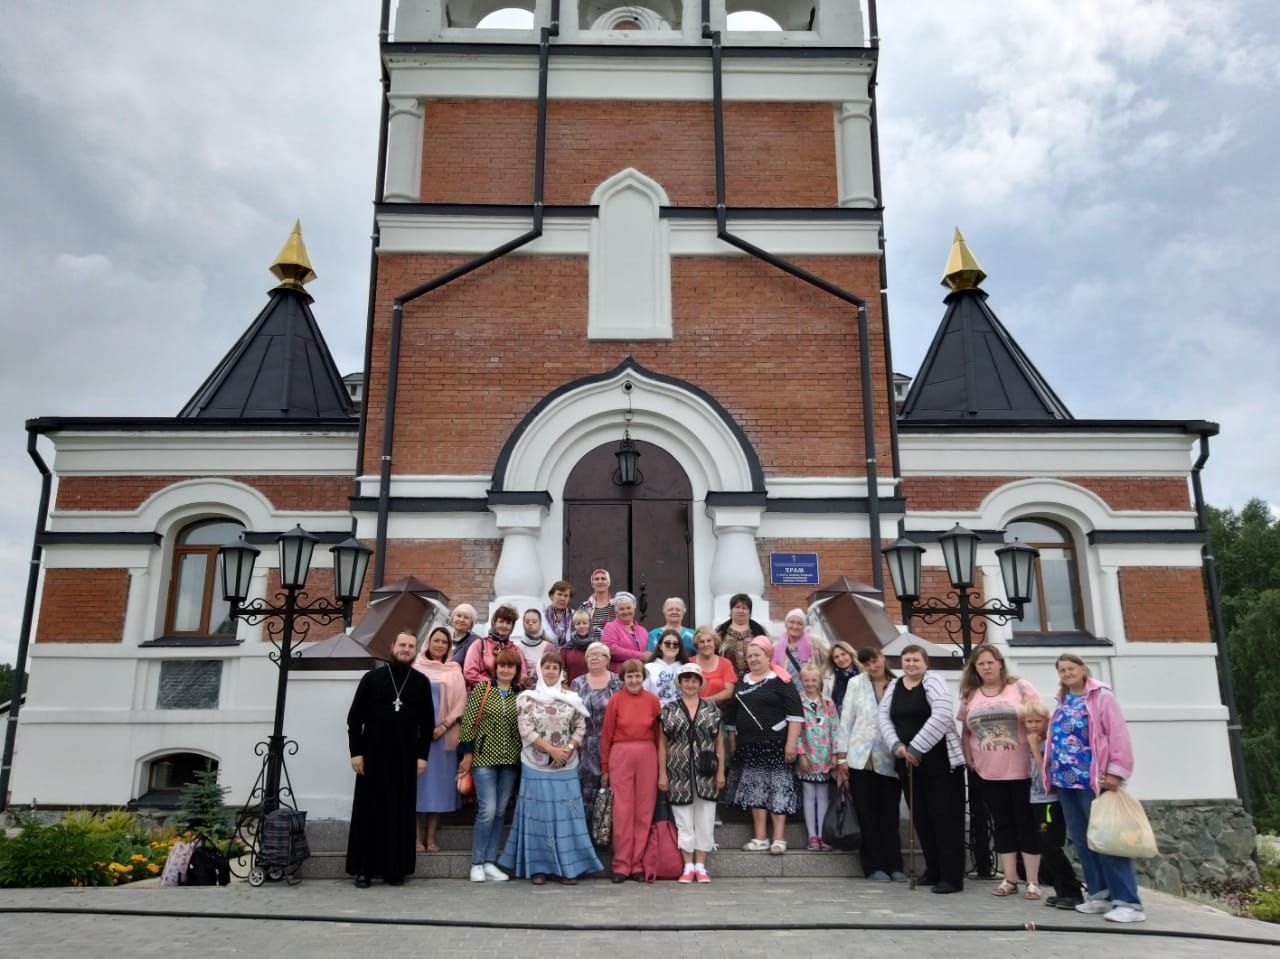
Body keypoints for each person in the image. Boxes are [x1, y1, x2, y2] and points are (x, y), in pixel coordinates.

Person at [1045, 653, 1144, 923]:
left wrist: (1116, 771)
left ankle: (1128, 902)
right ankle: (1100, 895)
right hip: (1066, 781)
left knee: (1109, 840)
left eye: (1071, 668)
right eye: (1062, 669)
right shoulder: (1062, 700)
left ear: (1083, 669)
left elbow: (1117, 735)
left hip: (1094, 780)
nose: (1067, 673)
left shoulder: (1101, 697)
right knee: (1084, 840)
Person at [499, 652, 603, 885]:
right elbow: (526, 730)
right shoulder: (527, 698)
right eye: (547, 667)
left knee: (567, 817)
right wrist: (551, 751)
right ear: (540, 670)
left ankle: (569, 869)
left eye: (555, 667)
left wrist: (566, 750)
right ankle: (538, 868)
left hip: (566, 765)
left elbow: (580, 727)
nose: (551, 671)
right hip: (535, 765)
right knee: (539, 818)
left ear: (561, 672)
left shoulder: (572, 697)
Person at [345, 631, 434, 888]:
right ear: (392, 646)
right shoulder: (372, 679)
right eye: (402, 644)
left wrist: (422, 756)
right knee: (369, 812)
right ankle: (364, 869)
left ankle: (395, 869)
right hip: (372, 756)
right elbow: (354, 719)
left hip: (406, 757)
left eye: (411, 646)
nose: (406, 649)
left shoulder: (420, 682)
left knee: (400, 812)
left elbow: (427, 725)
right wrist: (356, 752)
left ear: (415, 650)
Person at [879, 644, 966, 893]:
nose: (911, 664)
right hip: (908, 764)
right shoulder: (894, 686)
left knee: (945, 820)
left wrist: (916, 747)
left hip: (940, 763)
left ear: (925, 663)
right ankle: (934, 870)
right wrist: (896, 745)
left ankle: (951, 877)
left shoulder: (934, 681)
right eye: (907, 660)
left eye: (916, 660)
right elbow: (883, 716)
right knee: (923, 819)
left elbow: (941, 715)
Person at [957, 644, 1043, 899]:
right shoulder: (971, 694)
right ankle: (1009, 879)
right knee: (1002, 824)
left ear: (1000, 664)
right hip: (989, 772)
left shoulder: (1020, 688)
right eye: (980, 664)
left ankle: (1033, 881)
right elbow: (966, 730)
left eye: (990, 662)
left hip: (1022, 770)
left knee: (1026, 824)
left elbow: (1040, 720)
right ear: (975, 668)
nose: (986, 667)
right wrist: (968, 755)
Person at [724, 636, 803, 854]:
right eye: (749, 656)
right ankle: (760, 838)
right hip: (749, 746)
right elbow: (733, 714)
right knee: (755, 792)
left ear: (768, 656)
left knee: (778, 789)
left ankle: (778, 838)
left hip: (776, 745)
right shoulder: (743, 681)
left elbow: (796, 715)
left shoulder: (781, 681)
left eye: (757, 655)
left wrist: (791, 744)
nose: (753, 659)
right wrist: (733, 742)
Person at [834, 646, 905, 882]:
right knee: (866, 813)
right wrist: (841, 757)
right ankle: (873, 865)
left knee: (889, 813)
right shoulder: (856, 683)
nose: (872, 667)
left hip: (889, 757)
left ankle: (894, 863)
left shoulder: (898, 684)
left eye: (875, 661)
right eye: (867, 663)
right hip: (860, 757)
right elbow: (847, 720)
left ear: (883, 659)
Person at [457, 647, 524, 882]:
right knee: (488, 810)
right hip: (484, 759)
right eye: (502, 665)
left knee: (500, 812)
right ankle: (476, 862)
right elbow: (467, 723)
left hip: (510, 761)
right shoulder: (482, 690)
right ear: (496, 668)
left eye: (510, 666)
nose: (506, 670)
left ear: (516, 670)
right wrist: (466, 754)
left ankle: (489, 862)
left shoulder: (521, 695)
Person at [657, 663, 725, 883]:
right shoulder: (668, 710)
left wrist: (721, 772)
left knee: (705, 818)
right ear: (680, 682)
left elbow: (719, 743)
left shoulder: (712, 709)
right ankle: (687, 865)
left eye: (694, 680)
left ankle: (701, 865)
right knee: (683, 819)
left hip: (706, 771)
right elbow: (662, 744)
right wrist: (662, 774)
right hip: (678, 771)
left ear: (700, 683)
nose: (690, 683)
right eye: (686, 679)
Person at [600, 658, 661, 882]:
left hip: (647, 754)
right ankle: (621, 864)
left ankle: (637, 863)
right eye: (629, 676)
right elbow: (606, 736)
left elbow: (658, 735)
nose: (634, 680)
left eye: (637, 676)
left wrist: (660, 766)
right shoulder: (615, 701)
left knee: (644, 811)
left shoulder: (653, 701)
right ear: (623, 679)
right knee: (622, 811)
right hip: (621, 754)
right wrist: (605, 767)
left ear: (643, 678)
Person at [1023, 698, 1084, 909]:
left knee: (1051, 844)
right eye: (1028, 722)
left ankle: (1073, 890)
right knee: (1045, 847)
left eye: (1037, 721)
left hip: (1050, 801)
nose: (1032, 726)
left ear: (1046, 721)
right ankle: (1061, 890)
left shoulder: (1049, 743)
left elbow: (1046, 773)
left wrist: (1034, 746)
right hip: (1036, 800)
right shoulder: (1030, 741)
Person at [412, 626, 466, 853]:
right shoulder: (416, 668)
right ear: (428, 643)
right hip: (417, 737)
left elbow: (461, 702)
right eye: (437, 641)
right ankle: (415, 838)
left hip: (444, 738)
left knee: (439, 789)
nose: (441, 645)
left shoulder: (454, 669)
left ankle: (432, 837)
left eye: (445, 642)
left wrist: (444, 726)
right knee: (416, 788)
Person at [570, 641, 622, 827]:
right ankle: (588, 836)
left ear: (608, 659)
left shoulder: (619, 682)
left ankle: (609, 833)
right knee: (587, 791)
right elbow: (572, 716)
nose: (594, 657)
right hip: (586, 745)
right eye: (590, 654)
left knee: (612, 789)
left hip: (614, 744)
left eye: (598, 654)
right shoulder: (577, 683)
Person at [796, 663, 838, 851]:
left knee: (822, 796)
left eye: (814, 680)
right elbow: (796, 731)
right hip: (807, 756)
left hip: (825, 757)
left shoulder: (828, 703)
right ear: (801, 680)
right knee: (808, 795)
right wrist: (801, 754)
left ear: (819, 680)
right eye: (806, 680)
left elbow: (836, 729)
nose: (810, 683)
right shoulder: (798, 702)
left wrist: (836, 754)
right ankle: (812, 835)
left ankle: (822, 834)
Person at [462, 603, 518, 688]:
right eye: (501, 621)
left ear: (512, 626)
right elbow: (469, 672)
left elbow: (522, 676)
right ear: (494, 622)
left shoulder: (515, 650)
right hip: (484, 695)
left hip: (508, 697)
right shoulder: (480, 645)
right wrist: (492, 684)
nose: (504, 626)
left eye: (508, 623)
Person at [716, 593, 767, 678]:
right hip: (727, 680)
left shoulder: (759, 631)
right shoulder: (720, 632)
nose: (740, 611)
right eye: (737, 607)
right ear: (731, 610)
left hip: (755, 679)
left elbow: (768, 654)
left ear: (750, 612)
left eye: (744, 608)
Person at [773, 608, 829, 683]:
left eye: (799, 623)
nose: (795, 626)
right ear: (786, 624)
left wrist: (821, 675)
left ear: (804, 626)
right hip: (788, 692)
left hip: (811, 691)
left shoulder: (814, 641)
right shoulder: (777, 646)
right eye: (791, 622)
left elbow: (830, 658)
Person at [601, 592, 648, 671]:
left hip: (640, 675)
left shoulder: (643, 630)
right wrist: (641, 656)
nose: (626, 611)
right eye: (621, 609)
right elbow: (612, 650)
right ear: (616, 612)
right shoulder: (610, 627)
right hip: (620, 674)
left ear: (634, 608)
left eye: (628, 608)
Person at [692, 624, 737, 706]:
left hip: (720, 712)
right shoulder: (690, 663)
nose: (706, 644)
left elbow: (729, 692)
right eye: (702, 642)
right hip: (694, 711)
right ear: (697, 645)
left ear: (715, 643)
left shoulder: (725, 663)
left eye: (709, 641)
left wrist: (705, 701)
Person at [644, 628, 689, 705]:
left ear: (679, 648)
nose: (671, 646)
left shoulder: (686, 668)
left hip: (682, 713)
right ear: (660, 646)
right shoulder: (648, 668)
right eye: (667, 643)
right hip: (656, 713)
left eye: (675, 644)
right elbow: (643, 694)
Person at [516, 608, 554, 689]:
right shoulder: (517, 648)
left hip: (545, 690)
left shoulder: (549, 647)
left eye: (534, 621)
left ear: (540, 623)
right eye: (527, 621)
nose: (530, 624)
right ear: (523, 623)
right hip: (522, 690)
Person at [580, 568, 616, 642]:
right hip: (590, 648)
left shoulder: (617, 606)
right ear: (592, 584)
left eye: (603, 578)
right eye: (596, 579)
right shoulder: (584, 607)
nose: (600, 581)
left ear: (608, 583)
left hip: (613, 648)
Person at [824, 641, 860, 715]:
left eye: (843, 654)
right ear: (833, 660)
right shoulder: (828, 680)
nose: (841, 659)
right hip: (839, 722)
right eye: (836, 657)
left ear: (850, 654)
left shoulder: (863, 673)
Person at [561, 609, 594, 682]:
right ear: (573, 626)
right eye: (578, 623)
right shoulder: (566, 649)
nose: (581, 626)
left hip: (593, 689)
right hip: (572, 689)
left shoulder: (597, 647)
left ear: (590, 624)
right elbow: (560, 671)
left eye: (585, 623)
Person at [543, 580, 576, 647]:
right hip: (547, 654)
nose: (562, 598)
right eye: (559, 594)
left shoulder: (575, 615)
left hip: (568, 654)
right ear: (551, 596)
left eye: (566, 596)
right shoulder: (541, 616)